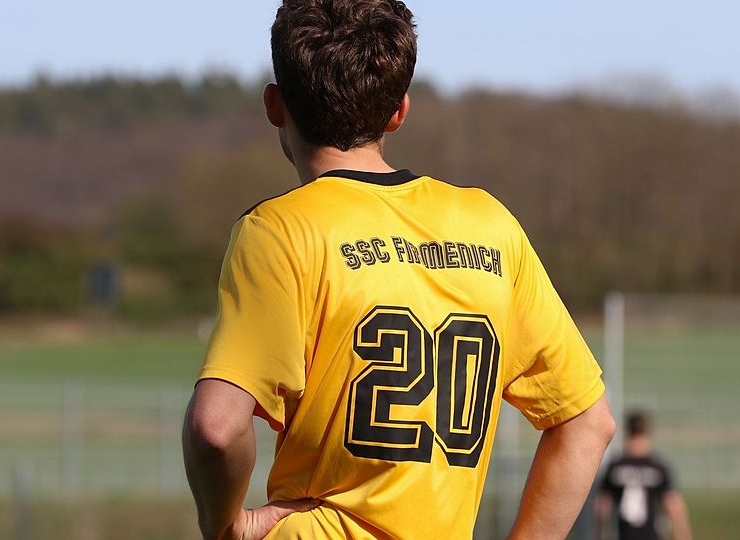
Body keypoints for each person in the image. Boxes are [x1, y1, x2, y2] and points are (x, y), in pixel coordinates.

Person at [180, 1, 616, 539]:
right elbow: (587, 422)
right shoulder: (491, 227)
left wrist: (228, 526)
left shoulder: (279, 230)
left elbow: (216, 428)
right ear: (399, 111)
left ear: (274, 104)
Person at [594, 411, 692, 540]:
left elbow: (602, 507)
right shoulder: (658, 467)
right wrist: (682, 535)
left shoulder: (615, 467)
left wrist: (600, 535)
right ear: (648, 431)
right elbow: (673, 506)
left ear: (627, 431)